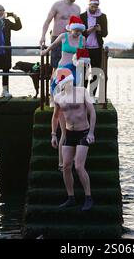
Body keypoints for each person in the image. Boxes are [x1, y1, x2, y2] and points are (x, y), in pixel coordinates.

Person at [41, 16, 89, 171]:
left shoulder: (82, 39)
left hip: (76, 73)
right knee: (63, 126)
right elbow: (52, 46)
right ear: (70, 28)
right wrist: (45, 51)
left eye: (79, 31)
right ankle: (62, 163)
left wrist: (86, 70)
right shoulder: (63, 36)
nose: (76, 33)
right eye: (74, 30)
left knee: (75, 110)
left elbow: (84, 57)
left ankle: (75, 160)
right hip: (62, 73)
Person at [51, 68, 96, 211]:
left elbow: (92, 112)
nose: (69, 84)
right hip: (70, 133)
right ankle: (71, 198)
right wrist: (53, 134)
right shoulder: (58, 97)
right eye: (66, 82)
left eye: (70, 81)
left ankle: (88, 198)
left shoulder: (82, 91)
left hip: (84, 132)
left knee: (78, 166)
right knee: (66, 166)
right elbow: (56, 117)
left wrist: (91, 133)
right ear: (61, 83)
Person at [40, 0, 81, 71]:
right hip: (57, 38)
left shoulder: (77, 8)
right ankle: (54, 85)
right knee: (56, 66)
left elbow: (78, 26)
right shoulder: (57, 5)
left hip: (70, 39)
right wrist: (43, 36)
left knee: (70, 66)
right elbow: (47, 21)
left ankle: (68, 85)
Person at [0, 4, 22, 98]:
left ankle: (5, 90)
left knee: (6, 69)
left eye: (3, 10)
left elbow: (18, 27)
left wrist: (16, 17)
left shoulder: (7, 21)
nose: (1, 12)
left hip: (6, 48)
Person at [80, 0, 108, 97]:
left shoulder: (102, 16)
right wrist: (88, 31)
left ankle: (91, 96)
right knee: (84, 74)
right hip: (84, 48)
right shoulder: (82, 16)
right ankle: (83, 96)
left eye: (96, 6)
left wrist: (100, 30)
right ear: (89, 5)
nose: (94, 8)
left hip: (97, 49)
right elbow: (78, 33)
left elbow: (105, 34)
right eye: (92, 6)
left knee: (95, 73)